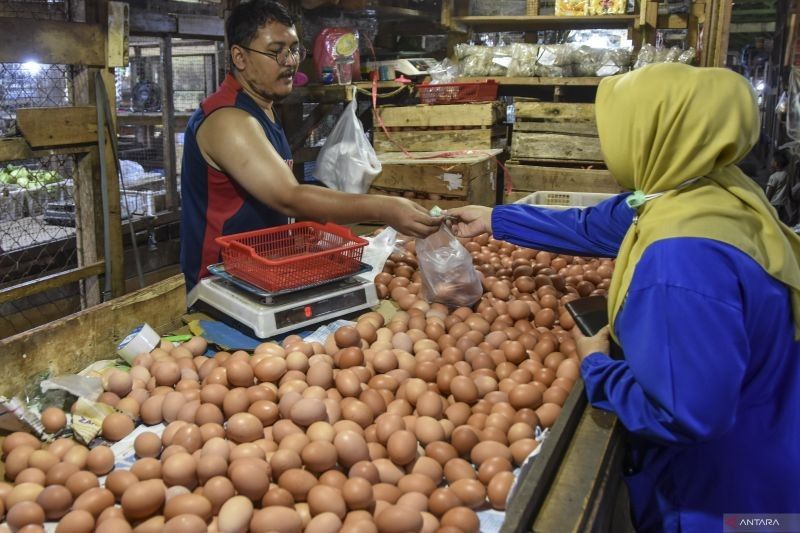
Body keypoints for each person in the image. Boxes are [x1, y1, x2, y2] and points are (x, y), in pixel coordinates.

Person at [447, 64, 800, 532]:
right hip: (775, 438)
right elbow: (596, 225)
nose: (608, 143)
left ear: (656, 133)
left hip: (724, 498)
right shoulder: (703, 192)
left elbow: (686, 415)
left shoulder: (680, 261)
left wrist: (596, 365)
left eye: (617, 130)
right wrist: (496, 219)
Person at [180, 0, 440, 290]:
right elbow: (288, 195)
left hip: (259, 273)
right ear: (240, 57)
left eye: (293, 49)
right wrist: (385, 207)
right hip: (220, 282)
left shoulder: (262, 106)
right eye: (275, 51)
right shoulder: (229, 120)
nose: (290, 61)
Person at [765, 149, 791, 223]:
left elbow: (770, 192)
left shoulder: (773, 177)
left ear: (776, 163)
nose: (771, 162)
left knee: (773, 222)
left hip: (774, 205)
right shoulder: (786, 174)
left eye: (772, 160)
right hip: (783, 205)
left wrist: (765, 203)